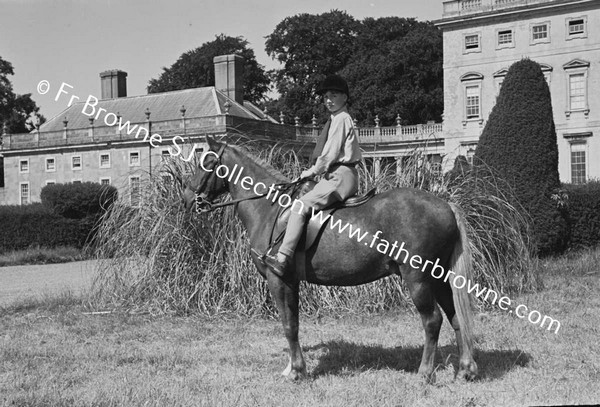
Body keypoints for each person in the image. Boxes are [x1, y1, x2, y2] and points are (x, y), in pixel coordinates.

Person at [265, 74, 362, 278]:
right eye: (325, 96)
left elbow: (329, 155)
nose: (328, 100)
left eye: (333, 95)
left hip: (340, 176)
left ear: (345, 97)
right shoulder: (336, 119)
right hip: (335, 175)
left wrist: (308, 173)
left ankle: (283, 258)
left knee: (299, 206)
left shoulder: (342, 119)